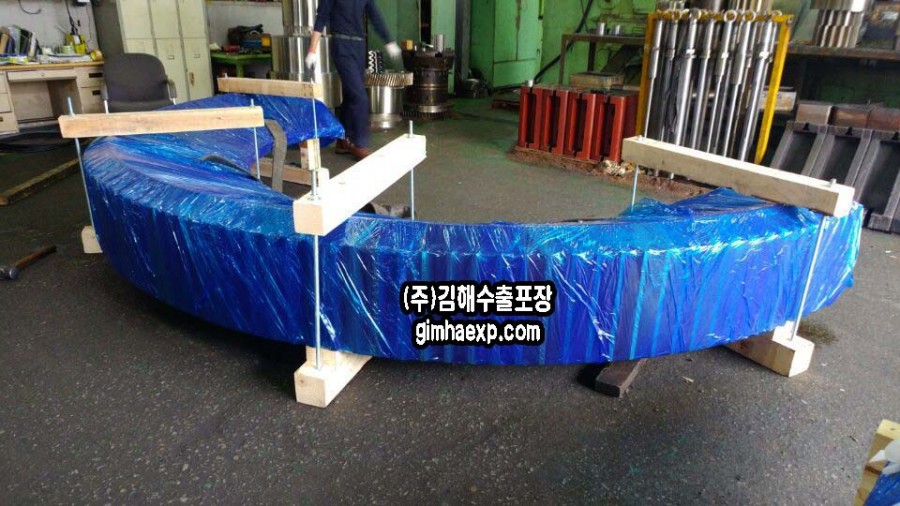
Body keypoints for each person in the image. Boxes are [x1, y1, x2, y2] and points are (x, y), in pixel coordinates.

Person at [306, 0, 401, 160]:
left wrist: (389, 41)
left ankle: (343, 139)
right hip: (341, 45)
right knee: (359, 96)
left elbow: (375, 16)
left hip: (359, 46)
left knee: (351, 94)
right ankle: (359, 143)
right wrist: (312, 50)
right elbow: (321, 17)